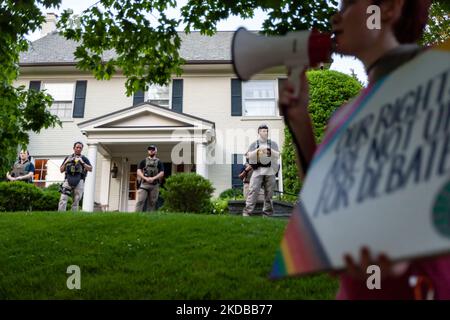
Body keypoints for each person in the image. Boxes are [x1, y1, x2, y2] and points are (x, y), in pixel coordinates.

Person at [279, 0, 450, 299]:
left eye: (347, 5)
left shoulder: (436, 85)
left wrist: (406, 246)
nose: (336, 16)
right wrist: (300, 122)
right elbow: (323, 204)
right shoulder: (346, 114)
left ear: (387, 9)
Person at [242, 124, 280, 217]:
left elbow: (278, 155)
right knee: (253, 191)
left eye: (266, 131)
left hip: (270, 170)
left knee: (269, 194)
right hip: (257, 170)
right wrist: (258, 150)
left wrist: (269, 151)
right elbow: (248, 155)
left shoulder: (273, 143)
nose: (265, 132)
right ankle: (247, 213)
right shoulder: (254, 144)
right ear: (258, 132)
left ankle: (267, 215)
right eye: (263, 131)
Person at [58, 142, 92, 212]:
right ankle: (60, 215)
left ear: (82, 149)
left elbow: (90, 169)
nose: (79, 149)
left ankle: (74, 216)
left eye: (80, 148)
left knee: (76, 200)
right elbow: (61, 170)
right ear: (74, 148)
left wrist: (82, 162)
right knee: (63, 198)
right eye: (77, 147)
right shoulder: (68, 157)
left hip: (80, 180)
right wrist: (66, 162)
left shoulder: (84, 158)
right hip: (68, 180)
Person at [135, 145, 164, 212]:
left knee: (152, 203)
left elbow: (162, 173)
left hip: (154, 185)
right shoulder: (143, 161)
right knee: (140, 201)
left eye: (153, 149)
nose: (151, 151)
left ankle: (149, 217)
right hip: (144, 184)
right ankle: (136, 216)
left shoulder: (159, 162)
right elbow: (138, 171)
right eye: (149, 149)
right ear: (148, 151)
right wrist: (145, 178)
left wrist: (153, 178)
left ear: (156, 151)